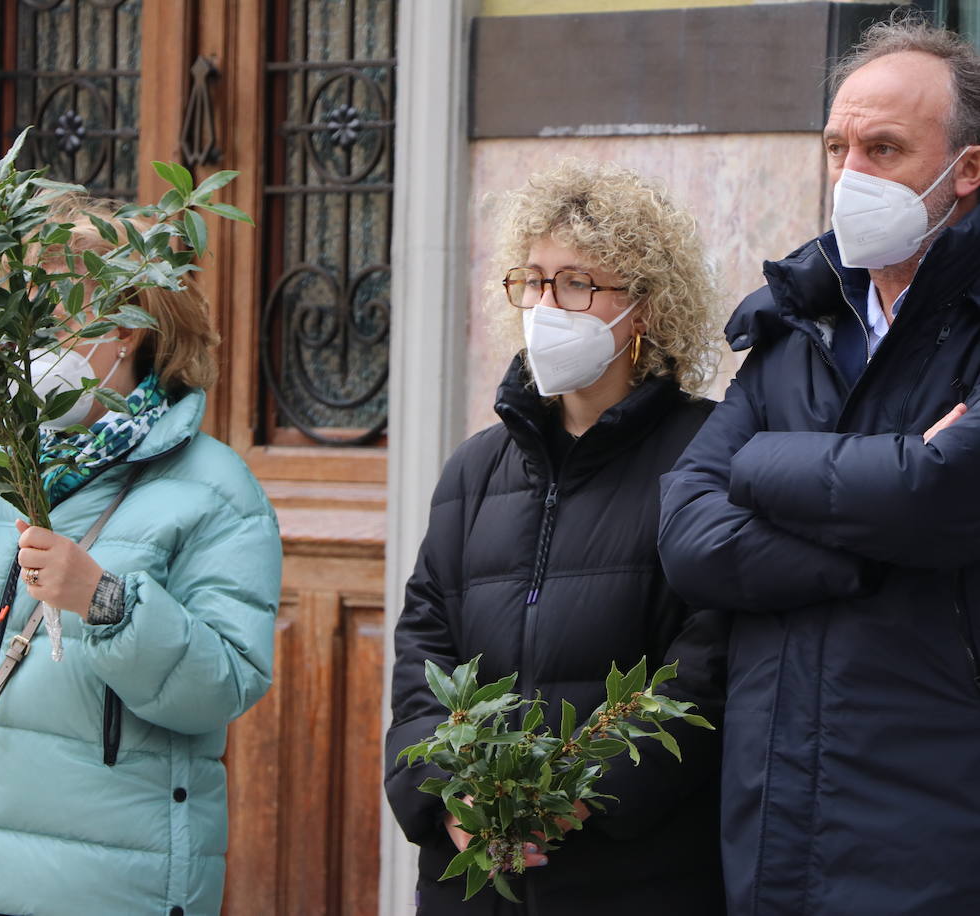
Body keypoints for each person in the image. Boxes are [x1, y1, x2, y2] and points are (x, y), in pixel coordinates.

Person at [0, 195, 282, 916]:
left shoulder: (213, 488)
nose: (26, 338)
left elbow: (224, 684)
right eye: (15, 314)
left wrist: (106, 601)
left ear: (126, 327)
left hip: (103, 887)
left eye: (49, 311)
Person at [658, 15, 980, 915]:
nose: (850, 176)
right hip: (774, 829)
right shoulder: (794, 325)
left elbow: (940, 496)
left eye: (884, 149)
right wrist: (866, 547)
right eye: (838, 147)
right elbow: (686, 534)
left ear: (968, 170)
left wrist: (760, 466)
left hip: (936, 838)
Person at [385, 160, 729, 915]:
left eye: (576, 284)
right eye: (534, 281)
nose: (546, 306)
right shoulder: (477, 468)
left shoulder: (705, 454)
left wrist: (575, 794)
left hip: (630, 878)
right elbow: (423, 649)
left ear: (642, 308)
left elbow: (706, 661)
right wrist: (447, 795)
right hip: (475, 878)